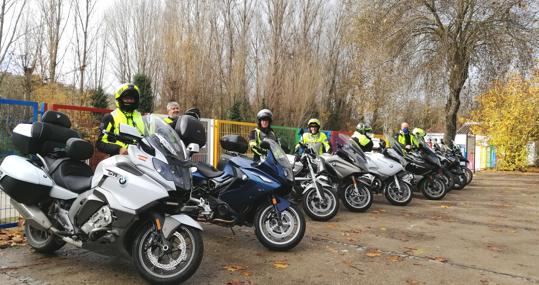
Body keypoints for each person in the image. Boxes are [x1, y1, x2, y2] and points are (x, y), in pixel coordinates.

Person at [96, 83, 145, 156]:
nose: (129, 101)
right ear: (119, 99)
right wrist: (118, 149)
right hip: (119, 158)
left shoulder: (142, 117)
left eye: (131, 99)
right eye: (126, 98)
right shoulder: (110, 117)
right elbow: (100, 143)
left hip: (142, 157)